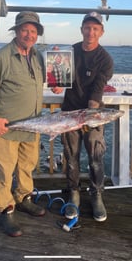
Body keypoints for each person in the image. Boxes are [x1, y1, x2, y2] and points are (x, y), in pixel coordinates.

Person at [0, 11, 48, 237]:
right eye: (25, 30)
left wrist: (55, 85)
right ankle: (6, 209)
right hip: (6, 129)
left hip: (33, 127)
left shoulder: (37, 57)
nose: (29, 34)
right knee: (5, 172)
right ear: (16, 31)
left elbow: (39, 85)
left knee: (27, 167)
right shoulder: (0, 57)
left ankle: (24, 198)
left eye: (33, 31)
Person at [61, 12, 113, 222]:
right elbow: (60, 79)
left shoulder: (105, 59)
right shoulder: (70, 52)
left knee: (96, 158)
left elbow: (97, 90)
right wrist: (56, 85)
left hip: (92, 115)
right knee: (71, 159)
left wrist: (90, 114)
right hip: (68, 113)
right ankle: (73, 191)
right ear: (81, 29)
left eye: (95, 28)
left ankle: (96, 193)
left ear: (101, 32)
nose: (90, 31)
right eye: (87, 27)